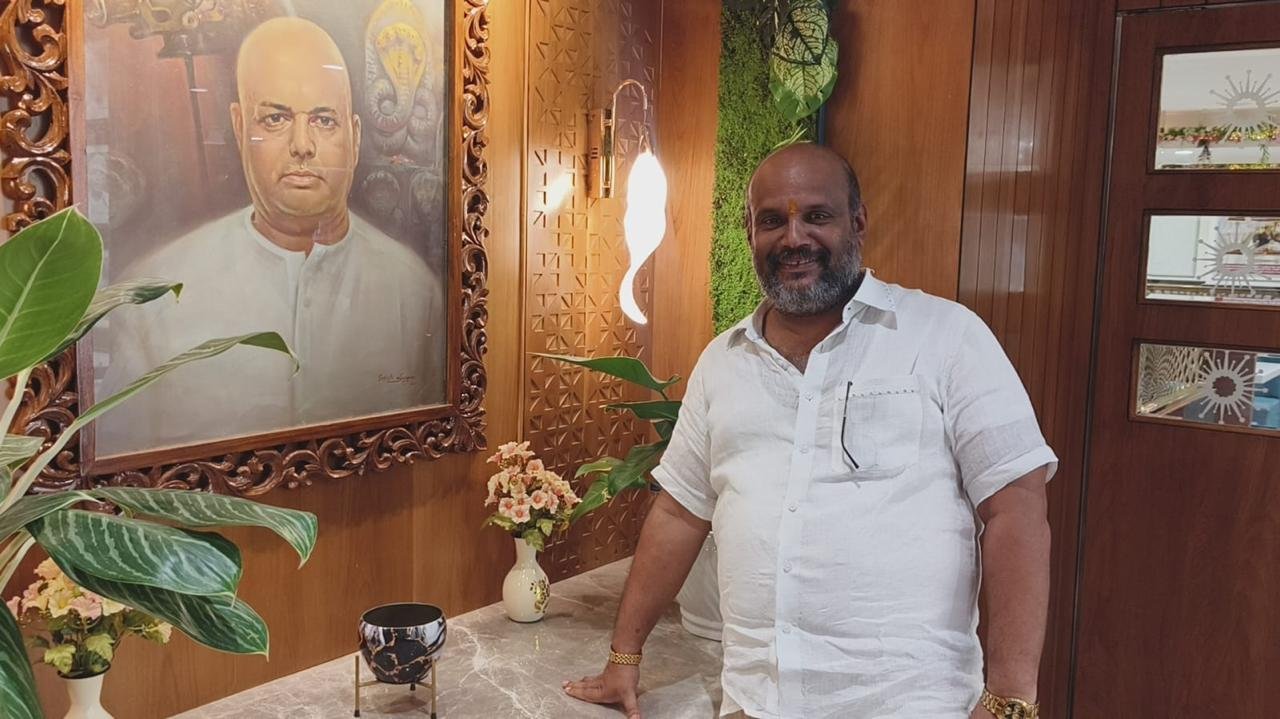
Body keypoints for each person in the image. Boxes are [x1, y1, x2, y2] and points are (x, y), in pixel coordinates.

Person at [563, 143, 1056, 718]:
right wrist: (624, 657)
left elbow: (1016, 507)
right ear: (750, 232)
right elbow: (678, 513)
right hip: (756, 704)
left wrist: (1010, 699)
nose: (794, 238)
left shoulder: (945, 336)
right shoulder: (722, 363)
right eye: (773, 220)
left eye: (817, 216)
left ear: (858, 222)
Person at [97, 17, 444, 456]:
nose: (302, 145)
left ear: (355, 137)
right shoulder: (155, 299)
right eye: (276, 118)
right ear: (240, 127)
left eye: (324, 120)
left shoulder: (413, 291)